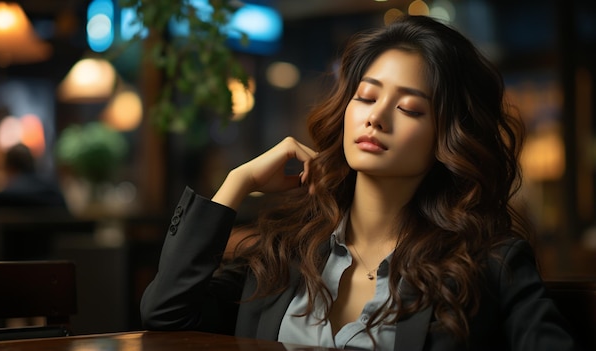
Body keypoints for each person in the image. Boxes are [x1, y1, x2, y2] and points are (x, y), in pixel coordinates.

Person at [140, 15, 582, 350]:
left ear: (449, 135)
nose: (376, 116)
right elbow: (166, 315)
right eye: (366, 96)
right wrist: (238, 183)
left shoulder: (488, 262)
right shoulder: (286, 249)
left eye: (409, 108)